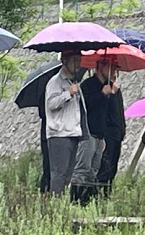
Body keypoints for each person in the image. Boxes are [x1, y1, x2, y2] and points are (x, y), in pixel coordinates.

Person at [71, 59, 118, 203]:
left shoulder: (108, 86)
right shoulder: (88, 85)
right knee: (82, 169)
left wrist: (112, 93)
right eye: (110, 67)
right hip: (88, 132)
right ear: (100, 67)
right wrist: (102, 94)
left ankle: (86, 201)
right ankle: (75, 200)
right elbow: (85, 105)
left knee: (94, 171)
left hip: (100, 135)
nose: (113, 71)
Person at [45, 51, 89, 196]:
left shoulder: (73, 82)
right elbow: (51, 103)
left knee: (67, 175)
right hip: (59, 134)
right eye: (74, 60)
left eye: (79, 60)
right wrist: (68, 94)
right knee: (59, 174)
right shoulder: (55, 82)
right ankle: (55, 204)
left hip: (72, 133)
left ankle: (62, 203)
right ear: (64, 61)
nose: (78, 64)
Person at [96, 71, 126, 196]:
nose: (115, 73)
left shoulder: (117, 90)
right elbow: (103, 110)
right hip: (108, 134)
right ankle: (100, 193)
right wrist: (111, 93)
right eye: (112, 70)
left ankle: (108, 192)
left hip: (117, 135)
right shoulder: (106, 89)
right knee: (106, 165)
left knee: (113, 166)